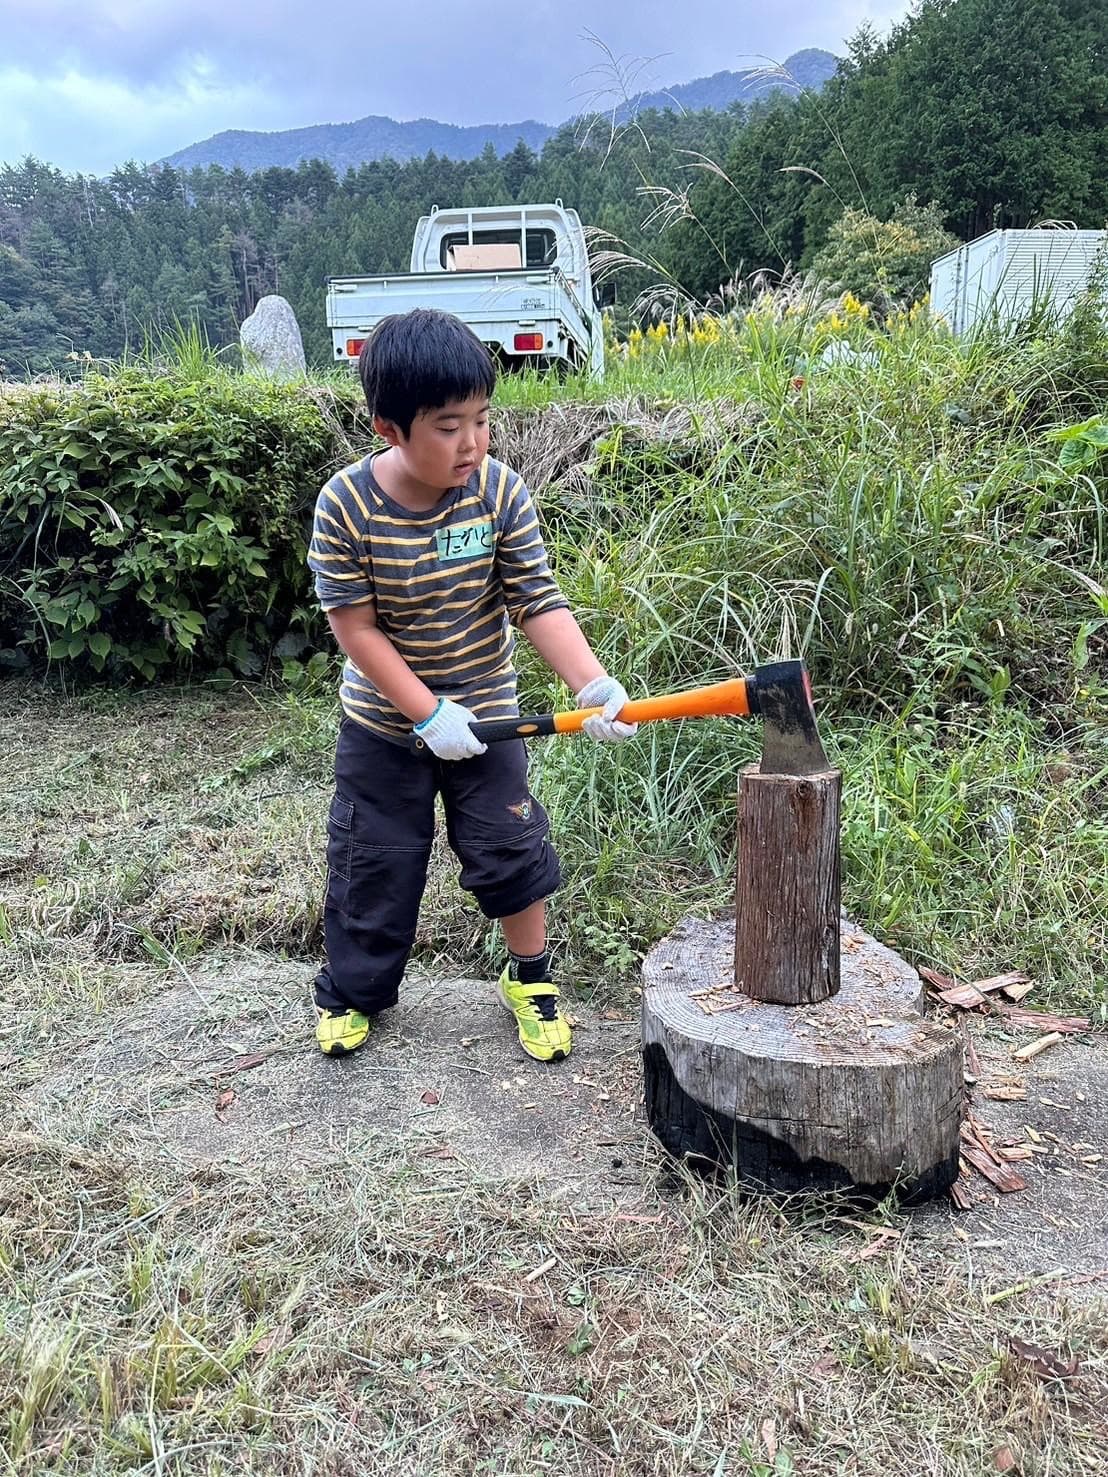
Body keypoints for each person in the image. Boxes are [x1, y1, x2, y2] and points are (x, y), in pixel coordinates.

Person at [307, 308, 637, 1063]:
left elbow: (536, 600)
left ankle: (530, 978)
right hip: (385, 726)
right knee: (373, 860)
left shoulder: (499, 493)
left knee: (512, 846)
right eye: (449, 426)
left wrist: (592, 683)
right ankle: (353, 992)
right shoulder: (345, 506)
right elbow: (357, 630)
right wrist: (424, 713)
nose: (473, 442)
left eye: (483, 420)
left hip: (490, 719)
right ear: (390, 428)